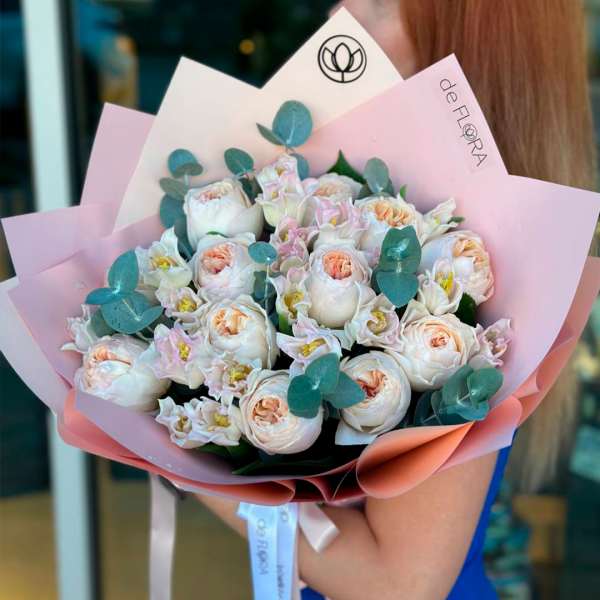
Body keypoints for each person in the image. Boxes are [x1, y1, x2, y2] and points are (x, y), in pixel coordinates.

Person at [196, 1, 596, 598]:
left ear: (473, 31)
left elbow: (398, 585)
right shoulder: (357, 209)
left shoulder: (466, 262)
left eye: (381, 2)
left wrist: (188, 459)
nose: (339, 14)